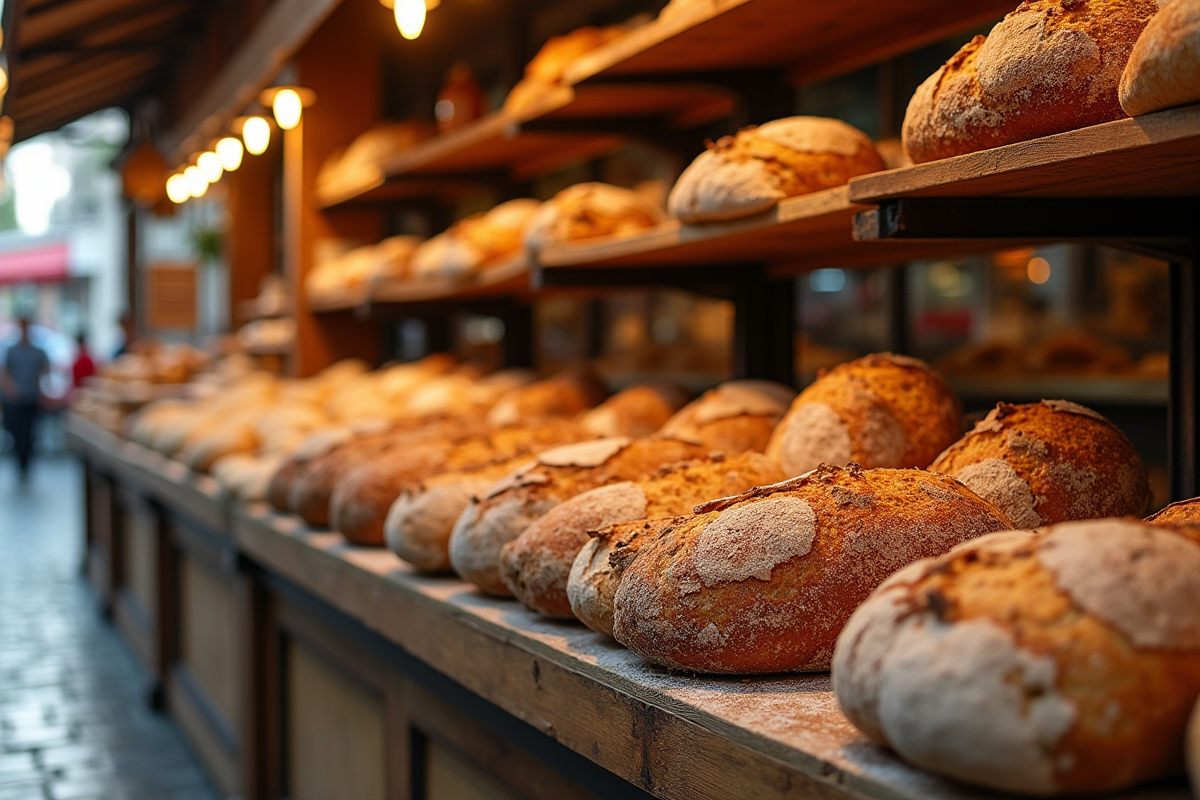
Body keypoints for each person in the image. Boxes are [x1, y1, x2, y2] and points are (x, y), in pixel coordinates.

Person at [2, 318, 50, 483]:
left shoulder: (37, 351)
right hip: (15, 400)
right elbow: (5, 372)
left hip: (32, 398)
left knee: (30, 433)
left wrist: (44, 390)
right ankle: (20, 464)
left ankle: (27, 465)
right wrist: (10, 389)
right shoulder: (12, 350)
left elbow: (46, 370)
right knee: (17, 433)